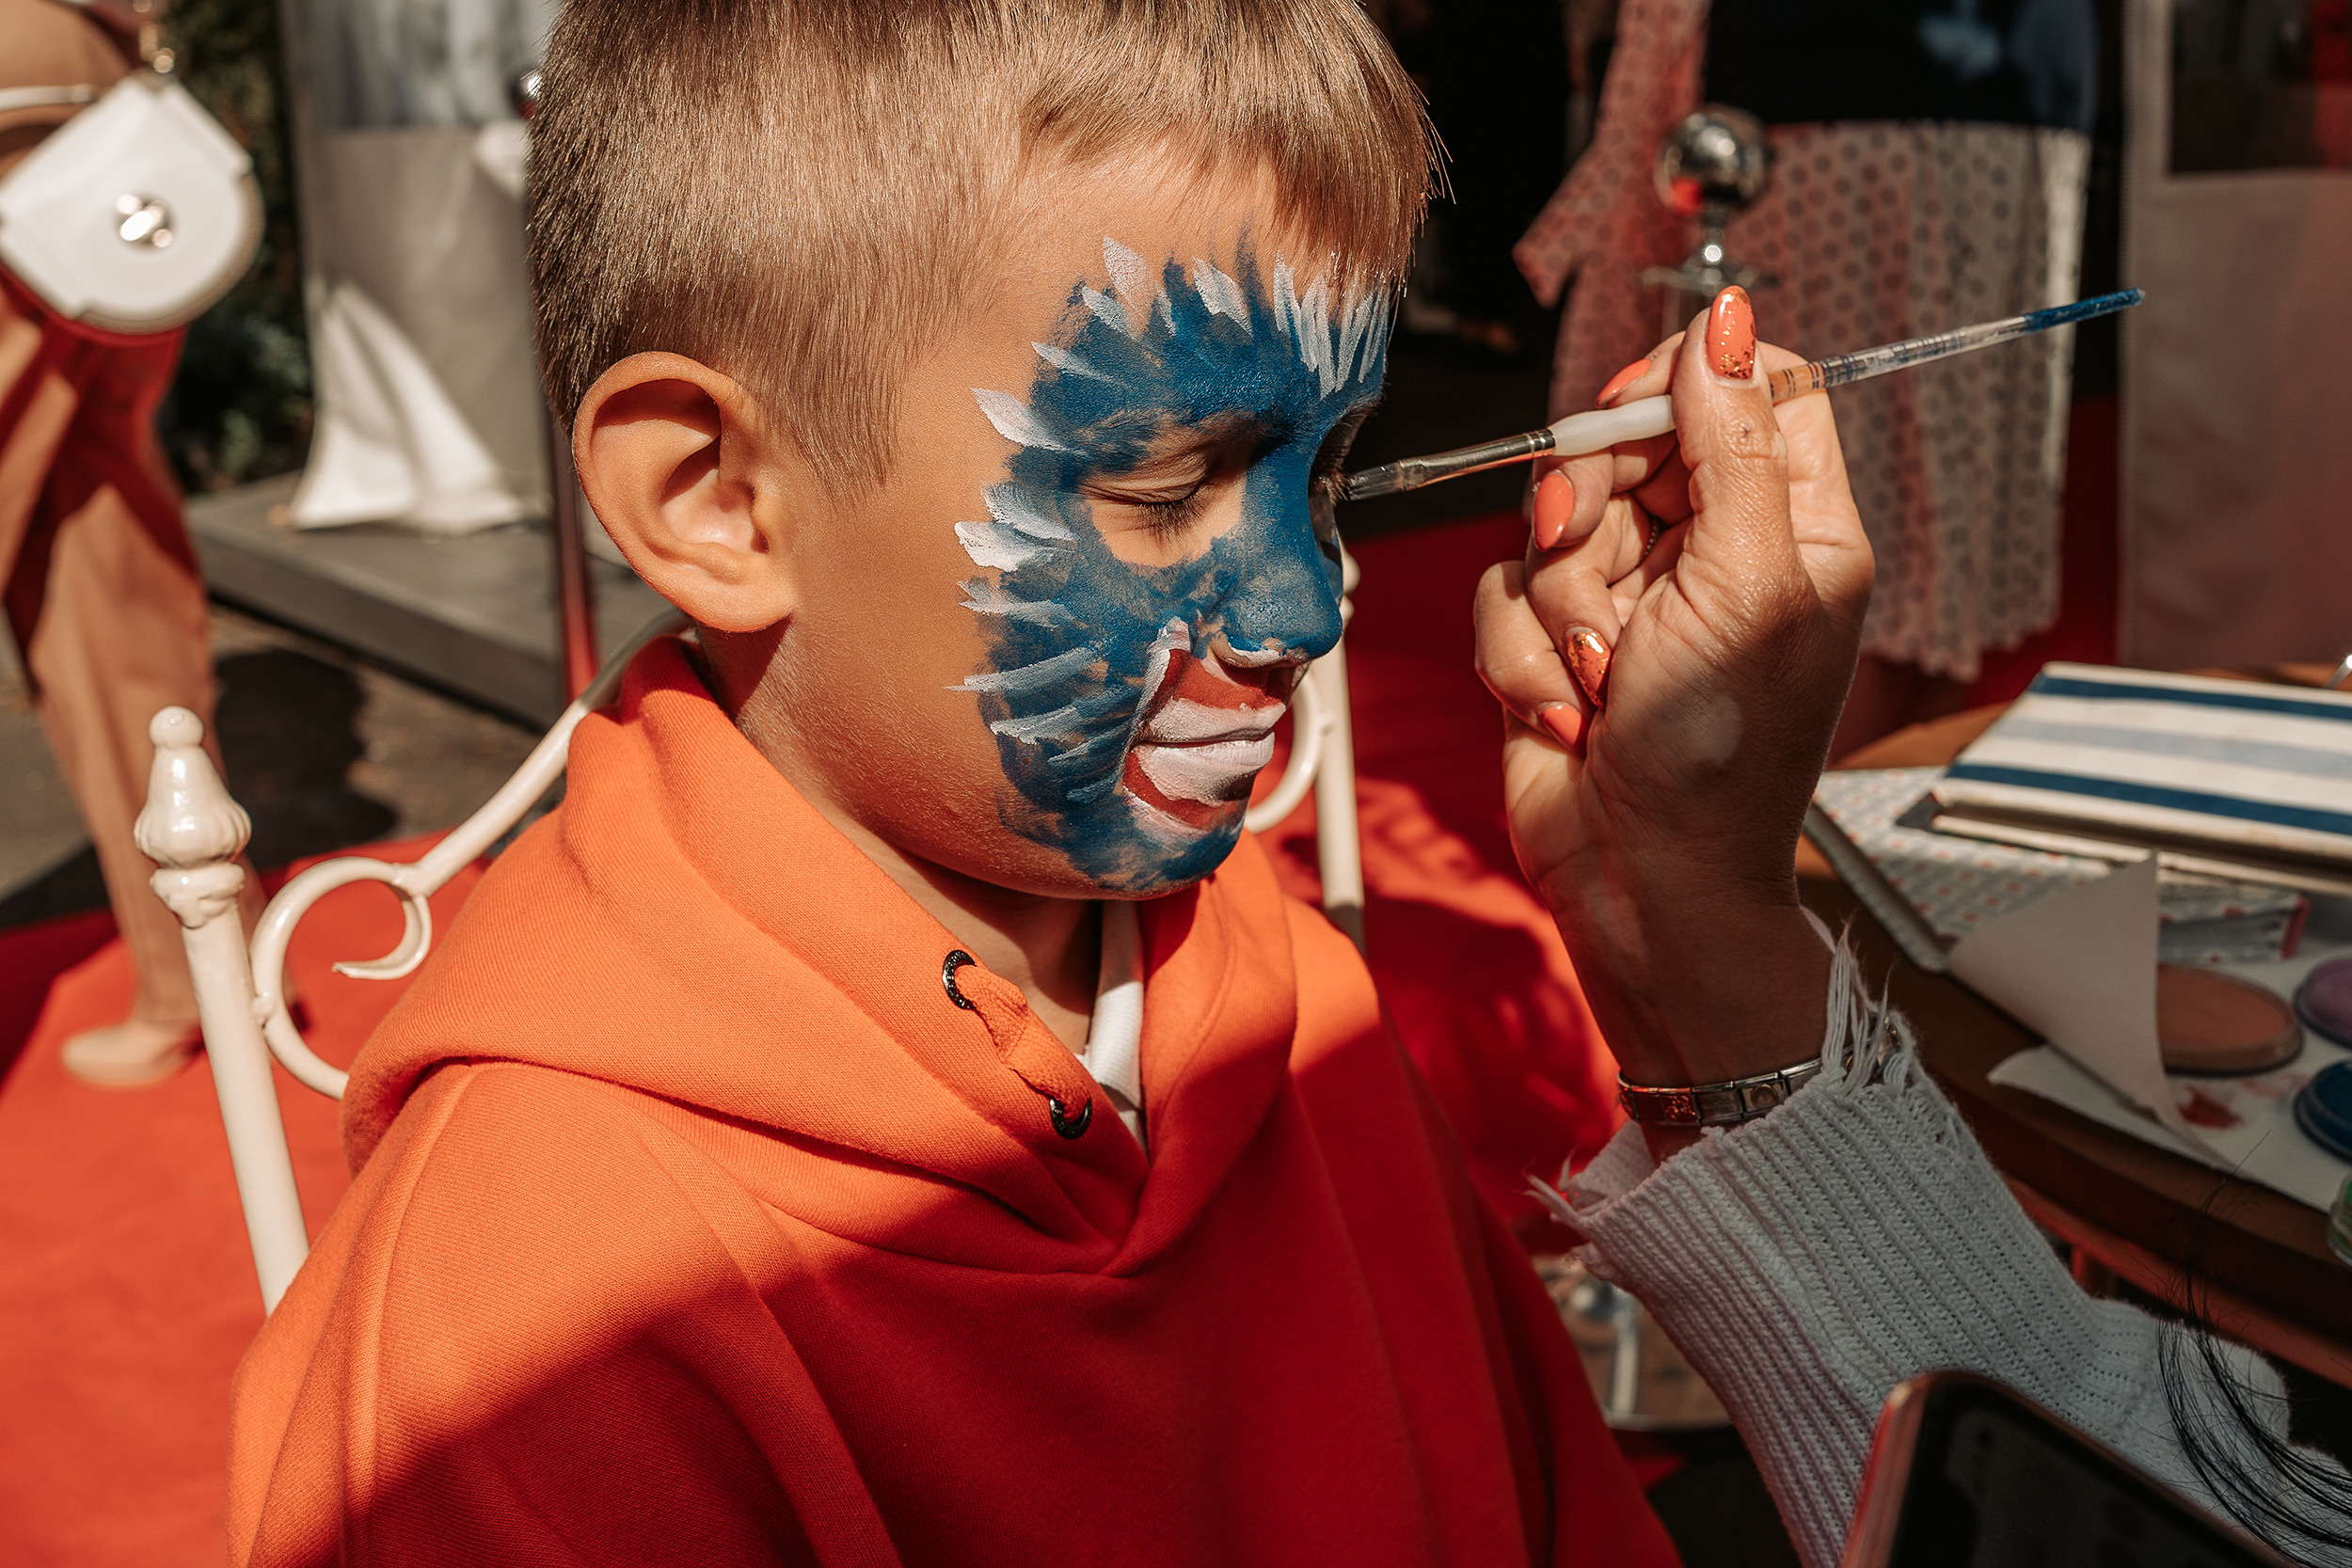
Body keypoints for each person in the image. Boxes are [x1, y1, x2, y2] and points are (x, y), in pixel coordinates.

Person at [228, 4, 2344, 1565]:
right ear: (710, 496)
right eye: (1163, 480)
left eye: (1326, 471)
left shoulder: (1265, 975)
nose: (1312, 604)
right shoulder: (530, 1318)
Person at [1515, 0, 2098, 755]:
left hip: (1936, 88)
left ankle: (1825, 832)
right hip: (1844, 90)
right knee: (1854, 512)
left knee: (1906, 524)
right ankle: (1808, 833)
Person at [0, 0, 257, 1086]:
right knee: (95, 548)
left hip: (40, 117)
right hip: (81, 103)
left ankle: (196, 969)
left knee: (93, 540)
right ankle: (197, 968)